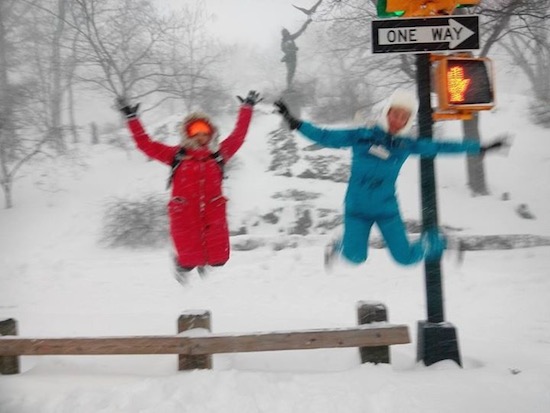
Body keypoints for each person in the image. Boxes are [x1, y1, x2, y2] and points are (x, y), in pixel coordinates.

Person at [274, 89, 509, 269]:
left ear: (408, 122)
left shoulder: (406, 145)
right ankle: (338, 244)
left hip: (386, 209)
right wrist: (295, 123)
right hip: (356, 209)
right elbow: (325, 136)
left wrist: (480, 147)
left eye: (404, 118)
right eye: (395, 114)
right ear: (387, 113)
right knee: (355, 257)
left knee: (405, 258)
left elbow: (441, 146)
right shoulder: (362, 136)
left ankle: (441, 241)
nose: (398, 121)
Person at [117, 91, 262, 284]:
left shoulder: (219, 155)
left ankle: (204, 266)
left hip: (213, 214)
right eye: (196, 132)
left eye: (205, 132)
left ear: (211, 133)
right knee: (187, 261)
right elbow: (146, 144)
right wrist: (132, 119)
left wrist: (247, 108)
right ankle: (181, 267)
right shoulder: (176, 156)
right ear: (188, 133)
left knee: (219, 260)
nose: (201, 136)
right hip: (185, 215)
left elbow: (238, 136)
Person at [281, 18, 312, 89]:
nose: (287, 34)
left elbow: (300, 31)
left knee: (292, 72)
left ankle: (290, 86)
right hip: (289, 59)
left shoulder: (291, 38)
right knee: (290, 72)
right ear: (284, 35)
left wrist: (306, 23)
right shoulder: (283, 42)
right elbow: (284, 50)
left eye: (287, 33)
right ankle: (289, 87)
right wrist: (293, 49)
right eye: (286, 33)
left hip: (293, 58)